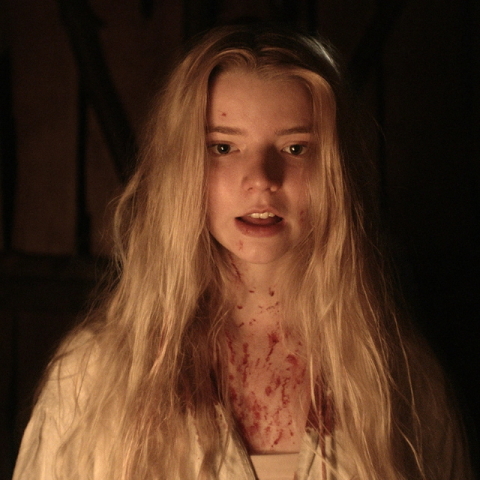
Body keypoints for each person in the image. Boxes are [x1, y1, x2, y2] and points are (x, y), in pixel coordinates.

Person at [13, 24, 472, 480]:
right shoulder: (94, 374)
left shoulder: (398, 379)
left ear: (334, 171)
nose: (261, 178)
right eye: (224, 147)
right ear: (182, 165)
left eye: (295, 148)